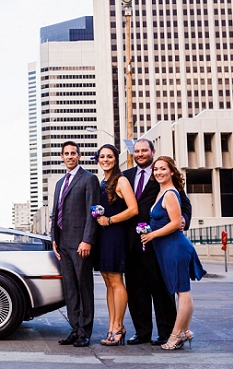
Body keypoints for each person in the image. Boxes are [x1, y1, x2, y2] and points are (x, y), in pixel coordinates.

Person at [138, 156, 206, 350]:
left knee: (182, 292)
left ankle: (176, 336)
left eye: (163, 169)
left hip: (175, 247)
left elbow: (176, 224)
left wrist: (151, 235)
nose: (159, 172)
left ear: (172, 172)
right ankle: (185, 331)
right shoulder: (161, 192)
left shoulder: (170, 193)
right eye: (156, 169)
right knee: (182, 291)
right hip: (167, 249)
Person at [123, 138, 175, 345]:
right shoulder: (125, 176)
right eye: (137, 151)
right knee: (136, 292)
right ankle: (142, 333)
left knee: (161, 291)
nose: (140, 154)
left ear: (153, 152)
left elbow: (182, 202)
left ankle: (166, 332)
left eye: (144, 150)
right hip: (130, 245)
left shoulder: (161, 174)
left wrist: (183, 219)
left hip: (157, 243)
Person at [50, 140, 100, 347]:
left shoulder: (89, 179)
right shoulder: (60, 183)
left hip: (81, 244)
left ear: (79, 156)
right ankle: (75, 329)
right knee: (69, 288)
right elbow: (56, 212)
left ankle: (85, 332)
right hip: (63, 244)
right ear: (62, 157)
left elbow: (92, 211)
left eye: (73, 153)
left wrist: (87, 240)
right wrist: (54, 239)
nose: (69, 156)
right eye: (66, 153)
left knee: (83, 287)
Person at [92, 144, 140, 345]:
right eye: (102, 156)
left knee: (116, 281)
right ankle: (112, 326)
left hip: (115, 235)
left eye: (109, 156)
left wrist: (110, 220)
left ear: (116, 158)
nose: (105, 160)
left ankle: (118, 327)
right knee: (108, 282)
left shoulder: (121, 180)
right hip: (102, 237)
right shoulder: (102, 182)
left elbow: (133, 209)